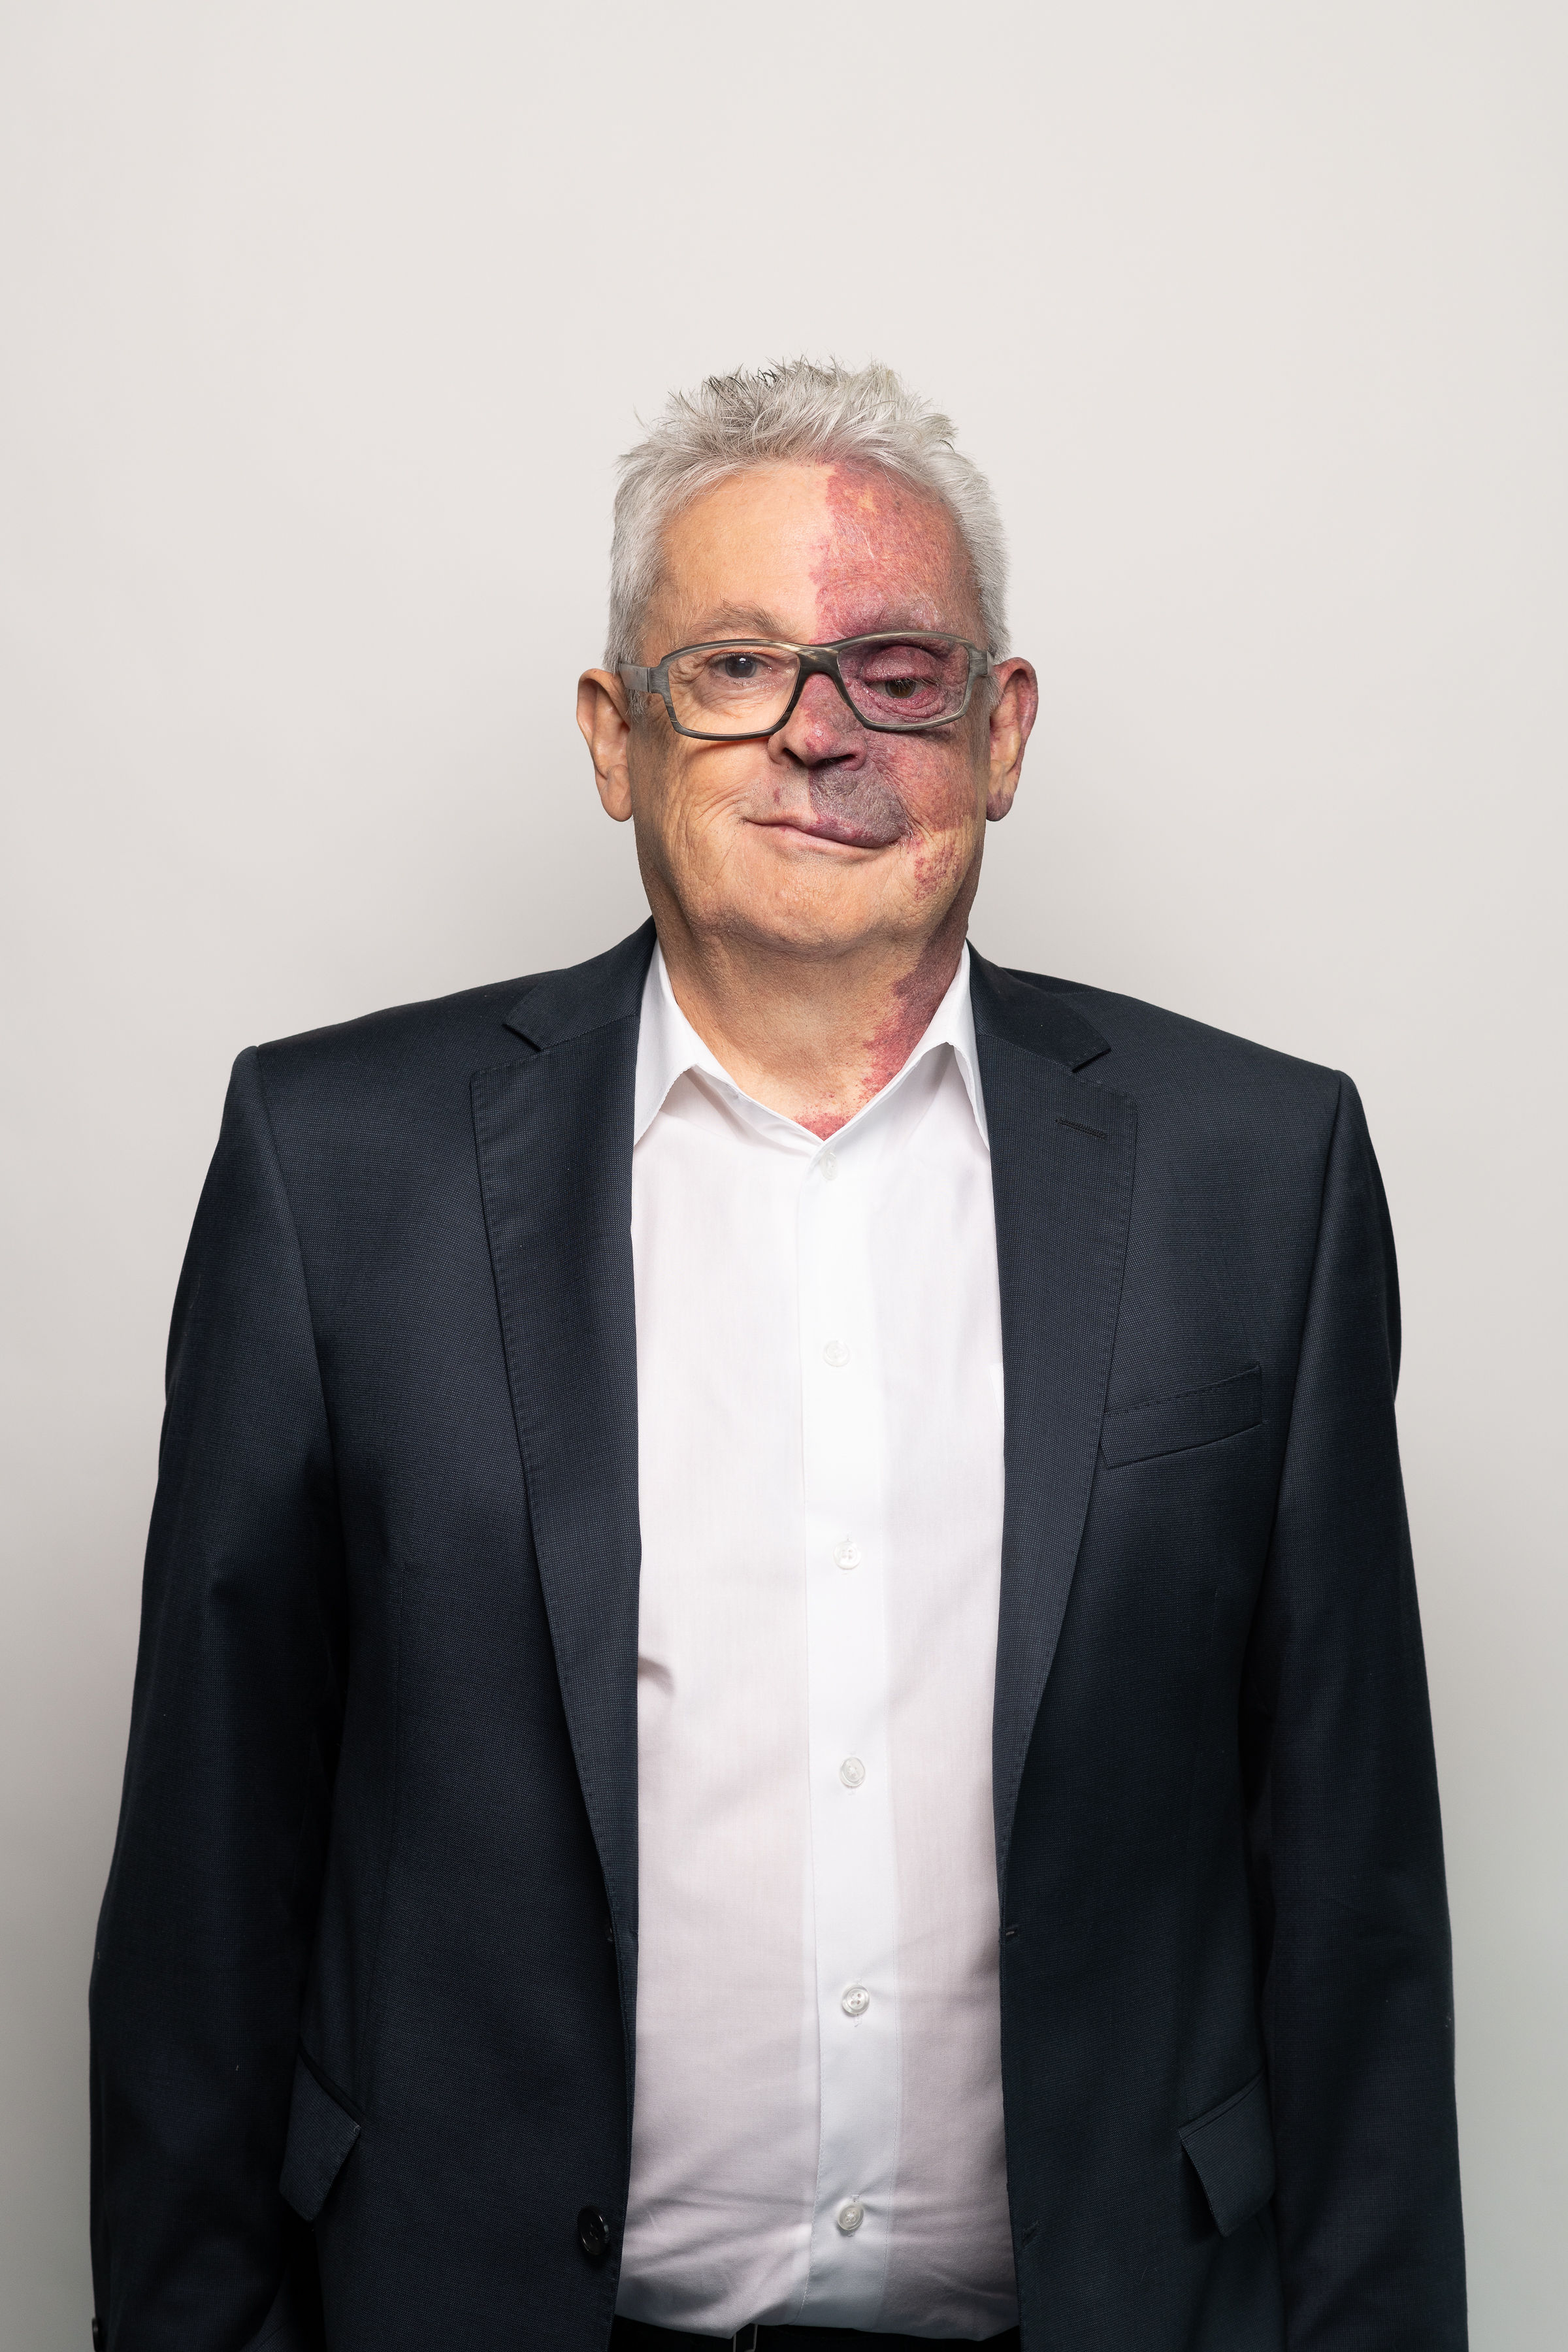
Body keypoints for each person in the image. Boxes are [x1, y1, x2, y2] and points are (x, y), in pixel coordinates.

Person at [89, 361, 1465, 2352]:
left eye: (897, 671)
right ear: (614, 735)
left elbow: (1356, 1918)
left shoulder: (1258, 1177)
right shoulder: (339, 1177)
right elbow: (203, 1912)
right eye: (735, 668)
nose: (820, 731)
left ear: (1000, 731)